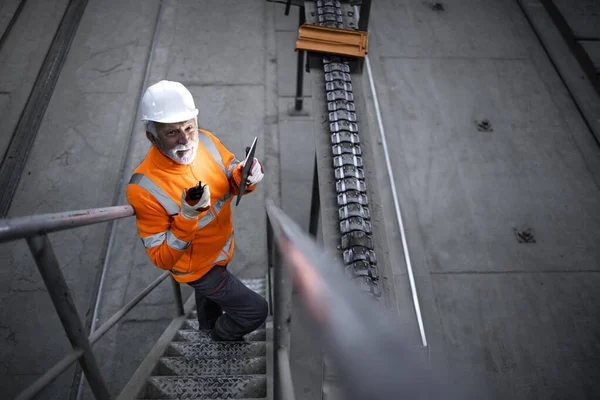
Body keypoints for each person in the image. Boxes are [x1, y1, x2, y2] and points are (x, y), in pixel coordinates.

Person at [126, 80, 268, 341]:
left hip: (221, 250)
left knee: (209, 303)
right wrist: (187, 218)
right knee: (255, 311)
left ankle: (207, 327)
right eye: (172, 133)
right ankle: (220, 337)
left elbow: (229, 175)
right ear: (151, 136)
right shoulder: (144, 188)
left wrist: (245, 176)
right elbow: (161, 258)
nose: (186, 140)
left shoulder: (206, 141)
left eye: (189, 127)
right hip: (198, 270)